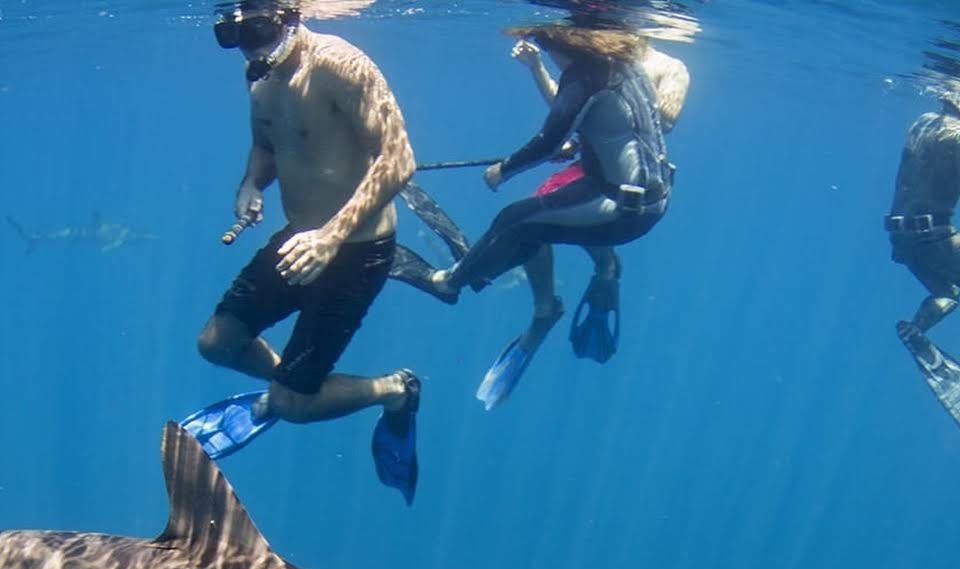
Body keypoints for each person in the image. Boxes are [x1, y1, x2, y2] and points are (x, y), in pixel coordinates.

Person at [179, 1, 419, 504]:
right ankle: (297, 382)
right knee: (216, 344)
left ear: (289, 14)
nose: (251, 47)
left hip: (356, 250)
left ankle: (395, 389)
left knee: (295, 407)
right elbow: (266, 145)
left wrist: (330, 236)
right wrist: (250, 184)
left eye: (259, 29)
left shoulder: (339, 64)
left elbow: (399, 160)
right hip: (298, 238)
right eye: (234, 36)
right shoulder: (259, 76)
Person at [421, 23, 675, 410]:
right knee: (533, 221)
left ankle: (452, 282)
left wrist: (503, 170)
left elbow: (548, 139)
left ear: (563, 47)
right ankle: (505, 281)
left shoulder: (583, 75)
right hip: (634, 192)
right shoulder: (620, 63)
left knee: (513, 219)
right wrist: (579, 139)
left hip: (623, 208)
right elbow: (614, 124)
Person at [511, 31, 688, 370]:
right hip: (590, 165)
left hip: (630, 177)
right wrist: (536, 67)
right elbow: (567, 107)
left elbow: (664, 122)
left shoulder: (671, 66)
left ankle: (606, 267)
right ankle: (545, 309)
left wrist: (606, 115)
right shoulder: (595, 57)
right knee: (532, 213)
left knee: (540, 218)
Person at [887, 83, 960, 425]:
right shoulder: (957, 136)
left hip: (900, 236)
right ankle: (918, 328)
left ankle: (918, 331)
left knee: (949, 292)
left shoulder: (921, 122)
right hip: (934, 235)